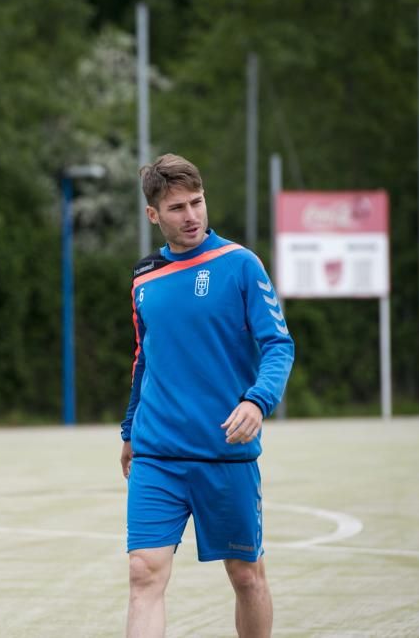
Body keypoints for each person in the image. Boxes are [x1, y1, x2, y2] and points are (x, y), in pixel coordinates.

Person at [120, 154, 294, 638]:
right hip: (157, 453)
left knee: (246, 576)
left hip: (225, 452)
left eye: (197, 203)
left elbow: (279, 344)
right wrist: (130, 430)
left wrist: (257, 401)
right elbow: (143, 357)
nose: (191, 215)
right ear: (154, 215)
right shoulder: (144, 277)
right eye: (177, 208)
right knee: (143, 573)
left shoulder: (240, 265)